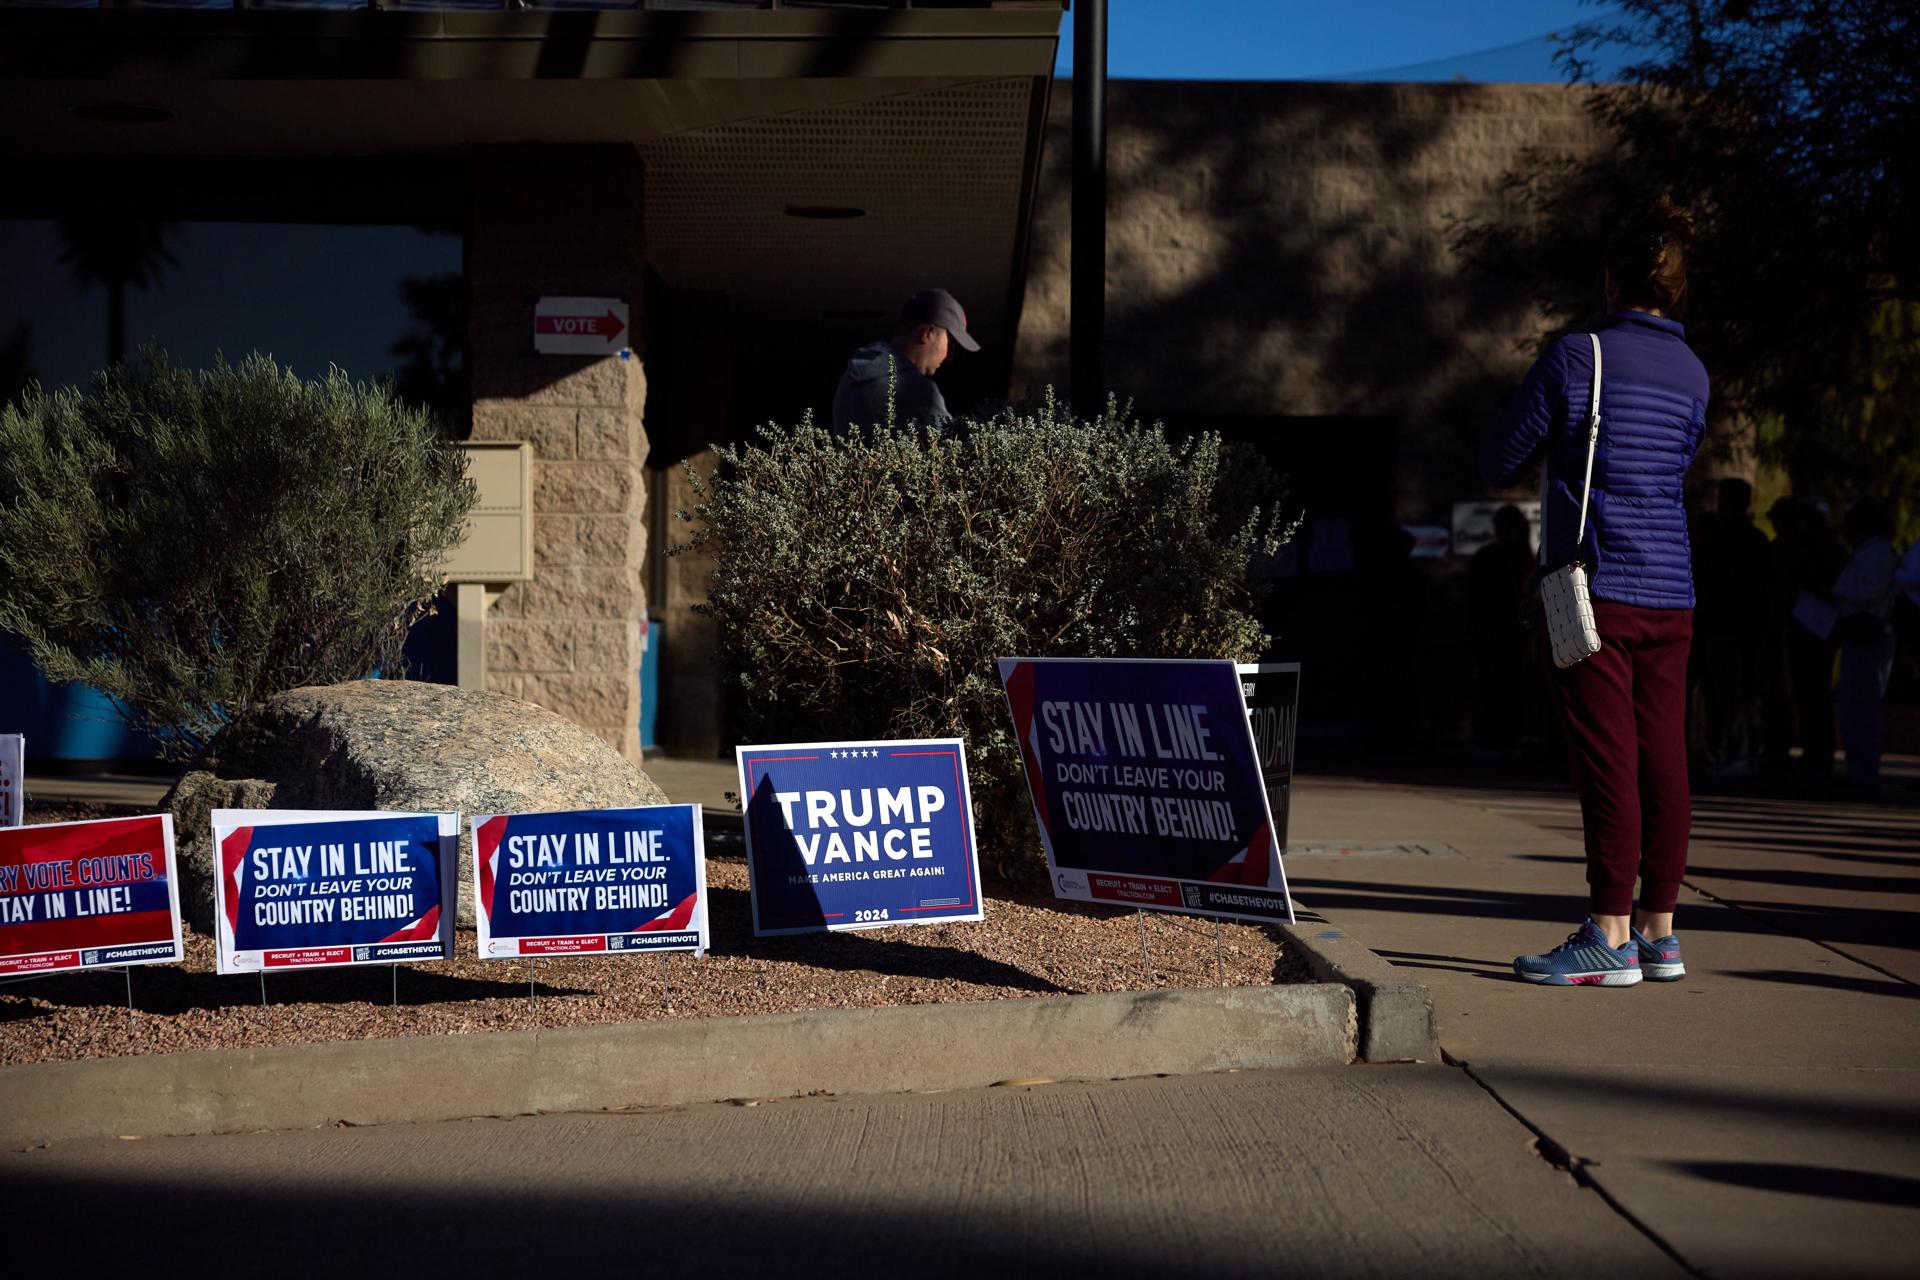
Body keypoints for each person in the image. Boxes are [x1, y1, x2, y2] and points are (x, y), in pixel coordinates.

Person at [1479, 198, 1708, 987]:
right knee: (1664, 758)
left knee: (1607, 761)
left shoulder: (1580, 356)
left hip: (1595, 588)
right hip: (1672, 589)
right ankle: (1659, 932)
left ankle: (1607, 935)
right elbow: (1674, 470)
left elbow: (1501, 455)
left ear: (1612, 282)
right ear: (1676, 290)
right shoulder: (1694, 373)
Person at [831, 288, 979, 432]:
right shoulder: (919, 391)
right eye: (950, 345)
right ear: (928, 333)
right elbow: (952, 450)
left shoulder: (854, 373)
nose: (949, 357)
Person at [1832, 498, 1899, 789]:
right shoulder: (1869, 550)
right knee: (1853, 703)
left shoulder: (1879, 552)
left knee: (1864, 704)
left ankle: (1865, 770)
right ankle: (1858, 766)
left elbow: (1867, 590)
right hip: (1858, 633)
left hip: (1869, 632)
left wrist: (1838, 593)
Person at [1468, 504, 1535, 750]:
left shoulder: (1497, 557)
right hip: (1506, 632)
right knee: (1505, 683)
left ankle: (1497, 733)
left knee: (1497, 683)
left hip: (1497, 631)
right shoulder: (1519, 559)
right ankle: (1503, 733)